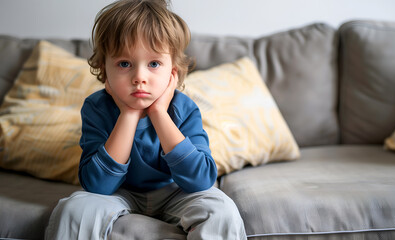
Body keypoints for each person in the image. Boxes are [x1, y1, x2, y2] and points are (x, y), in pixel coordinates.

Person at [45, 0, 246, 239]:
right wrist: (128, 114)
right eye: (124, 64)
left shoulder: (185, 108)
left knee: (222, 210)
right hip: (118, 192)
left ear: (173, 71)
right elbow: (97, 186)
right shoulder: (96, 108)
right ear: (104, 69)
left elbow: (201, 180)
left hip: (176, 191)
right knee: (74, 210)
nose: (139, 77)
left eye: (153, 64)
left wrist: (158, 113)